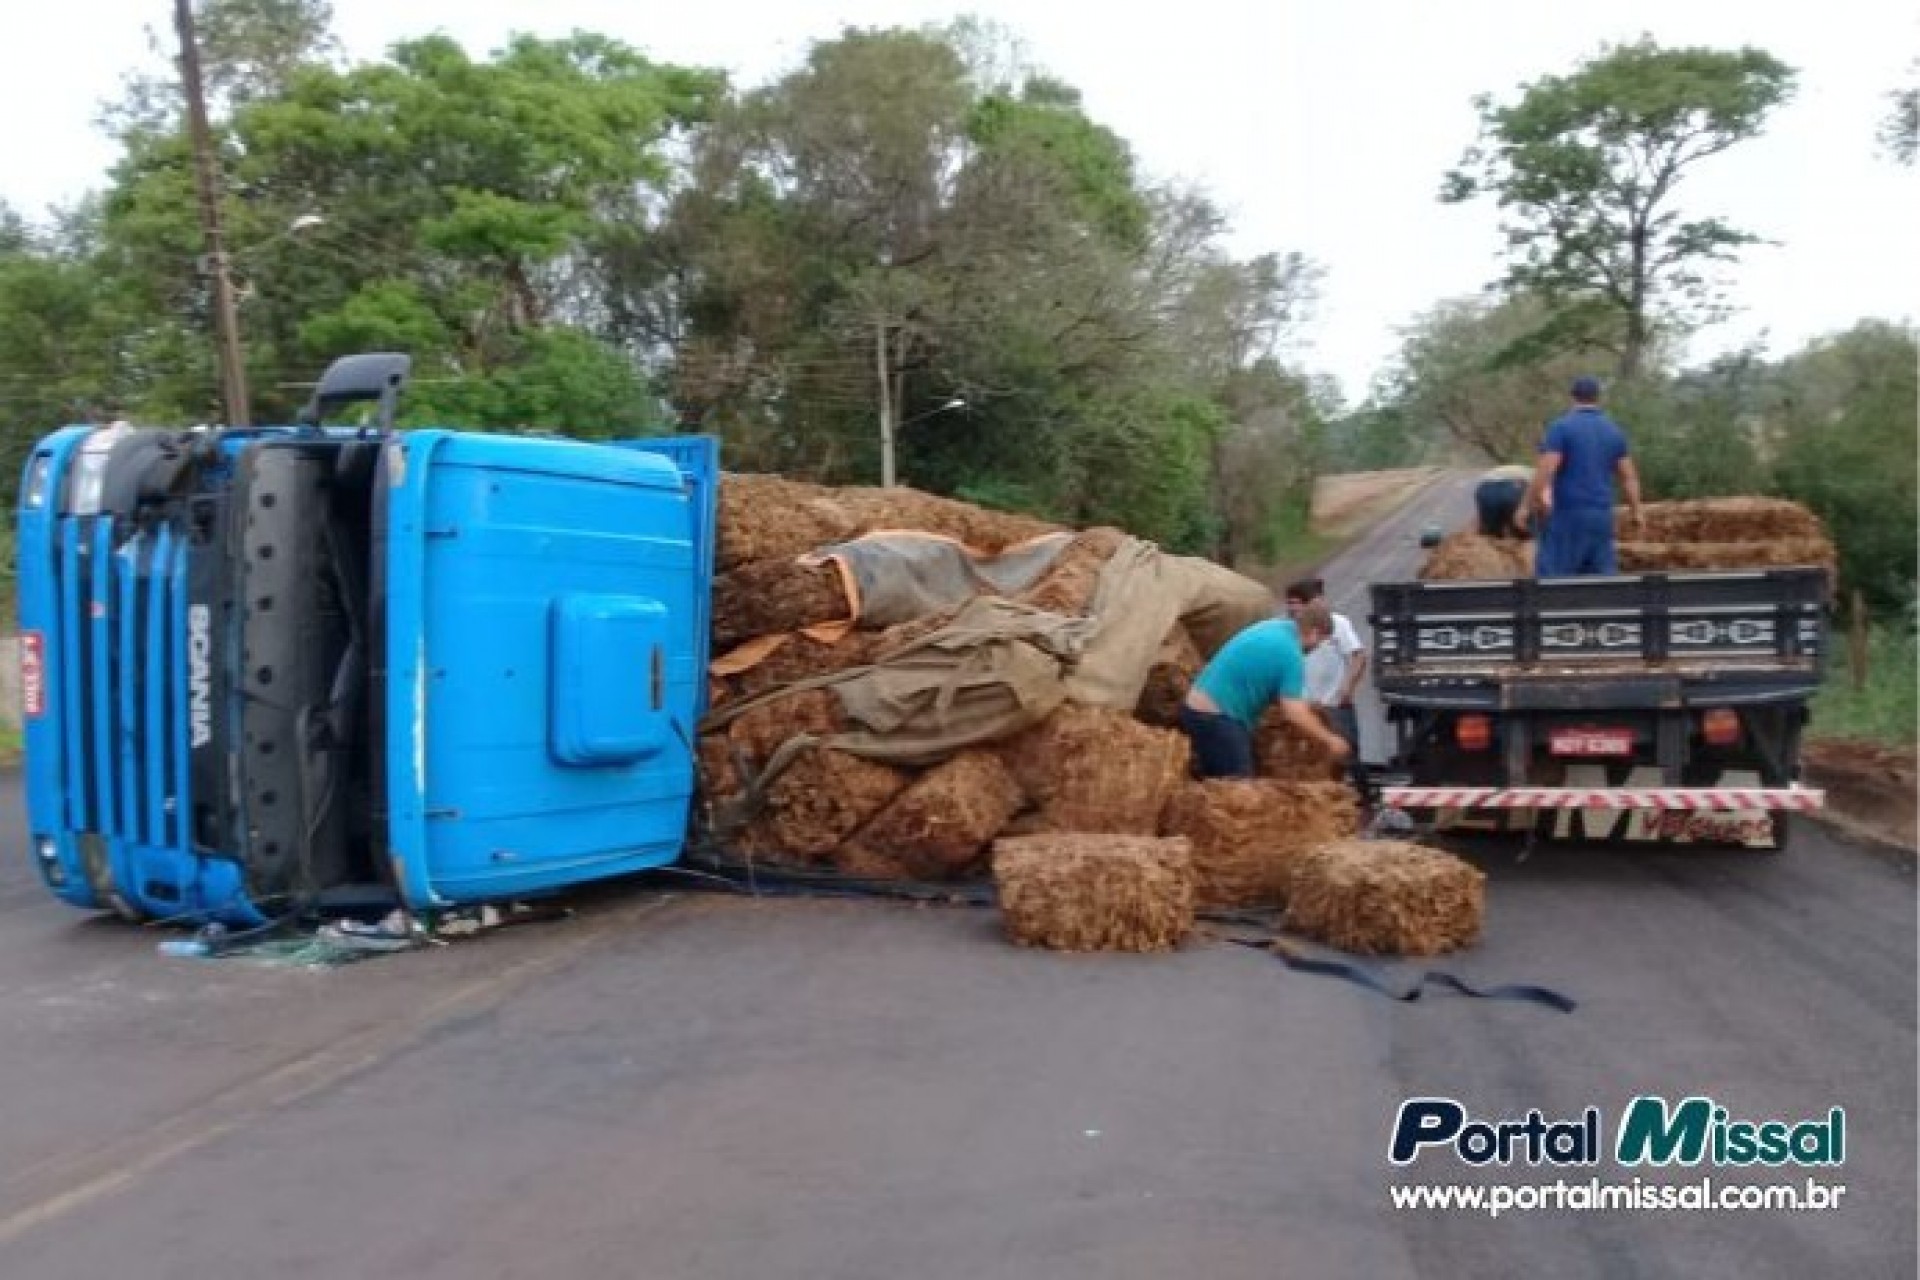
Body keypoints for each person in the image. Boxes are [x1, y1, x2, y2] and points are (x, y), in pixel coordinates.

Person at [1178, 604, 1351, 779]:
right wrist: (1329, 739)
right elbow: (1294, 713)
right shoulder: (1290, 654)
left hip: (1196, 710)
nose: (1318, 647)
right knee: (1240, 791)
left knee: (1216, 784)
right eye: (1321, 641)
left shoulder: (1273, 627)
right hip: (1217, 719)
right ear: (1314, 632)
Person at [1529, 376, 1644, 577]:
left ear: (1572, 397)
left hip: (1567, 514)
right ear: (1598, 398)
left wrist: (1533, 502)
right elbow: (1629, 478)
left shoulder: (1561, 427)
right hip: (1601, 516)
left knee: (1553, 578)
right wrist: (1636, 511)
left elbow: (1546, 469)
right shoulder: (1614, 431)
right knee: (1599, 580)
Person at [1285, 578, 1370, 791]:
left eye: (1297, 603)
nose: (1293, 608)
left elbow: (1358, 656)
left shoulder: (1338, 624)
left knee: (1346, 755)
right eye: (1290, 603)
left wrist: (1347, 687)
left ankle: (1361, 798)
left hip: (1334, 703)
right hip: (1305, 705)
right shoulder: (1287, 628)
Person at [1474, 463, 1536, 538]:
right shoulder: (1540, 478)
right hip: (1508, 489)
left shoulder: (1527, 470)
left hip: (1483, 490)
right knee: (1525, 530)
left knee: (1491, 531)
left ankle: (1493, 529)